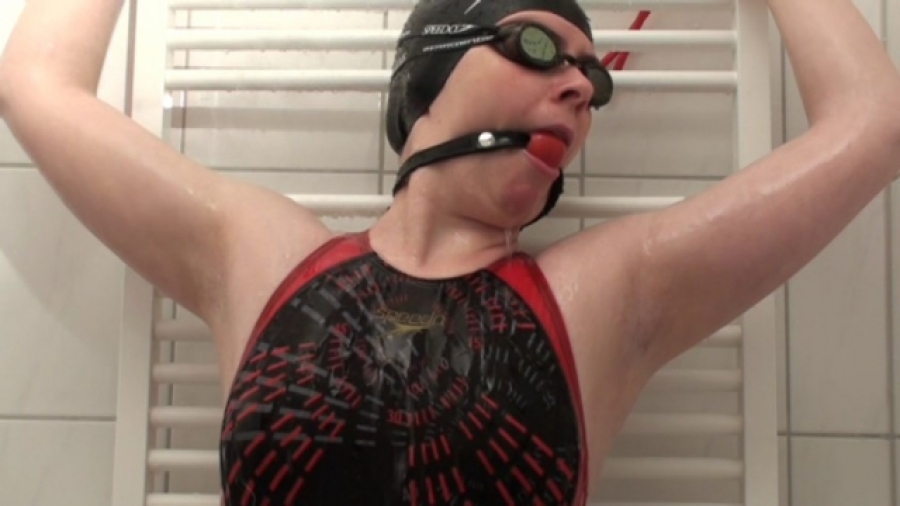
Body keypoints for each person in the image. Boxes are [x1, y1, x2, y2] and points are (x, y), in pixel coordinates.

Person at [1, 0, 899, 504]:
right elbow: (35, 84)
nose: (580, 88)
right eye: (539, 47)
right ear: (428, 72)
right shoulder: (260, 256)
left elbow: (875, 122)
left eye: (594, 79)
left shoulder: (608, 295)